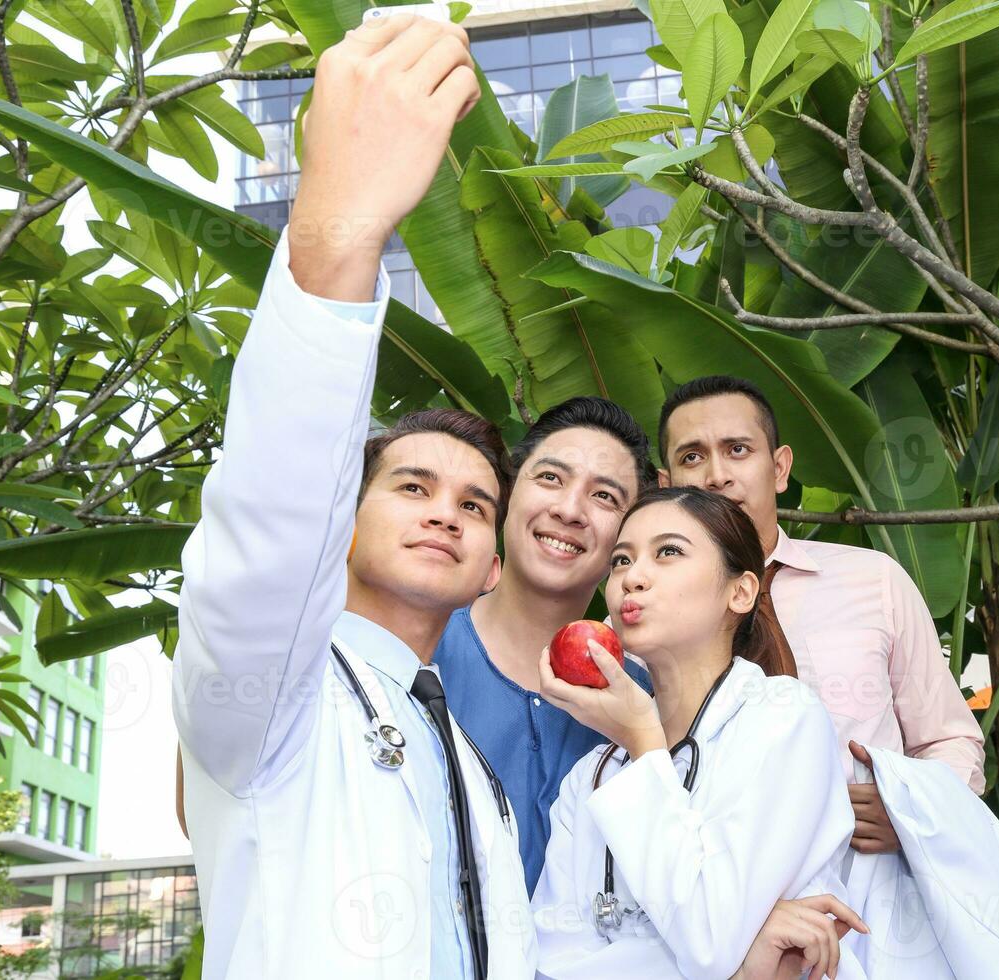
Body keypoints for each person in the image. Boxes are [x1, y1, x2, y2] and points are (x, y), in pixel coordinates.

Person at [171, 14, 536, 978]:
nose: (445, 513)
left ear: (493, 564)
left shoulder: (467, 760)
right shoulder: (265, 699)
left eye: (474, 505)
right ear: (344, 520)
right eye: (412, 485)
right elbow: (269, 523)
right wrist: (339, 234)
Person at [531, 487, 868, 980]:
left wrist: (645, 744)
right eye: (621, 561)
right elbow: (551, 963)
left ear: (741, 592)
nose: (633, 578)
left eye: (668, 552)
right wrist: (740, 965)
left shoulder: (783, 717)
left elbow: (708, 939)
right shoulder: (593, 774)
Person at [657, 375, 986, 859]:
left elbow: (949, 738)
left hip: (874, 902)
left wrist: (914, 814)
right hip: (716, 906)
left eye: (738, 450)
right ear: (666, 487)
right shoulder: (643, 618)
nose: (717, 475)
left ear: (780, 468)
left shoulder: (874, 581)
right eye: (692, 457)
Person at [434, 396, 655, 895]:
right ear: (509, 494)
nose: (570, 510)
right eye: (551, 478)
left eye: (605, 497)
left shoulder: (643, 702)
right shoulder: (418, 652)